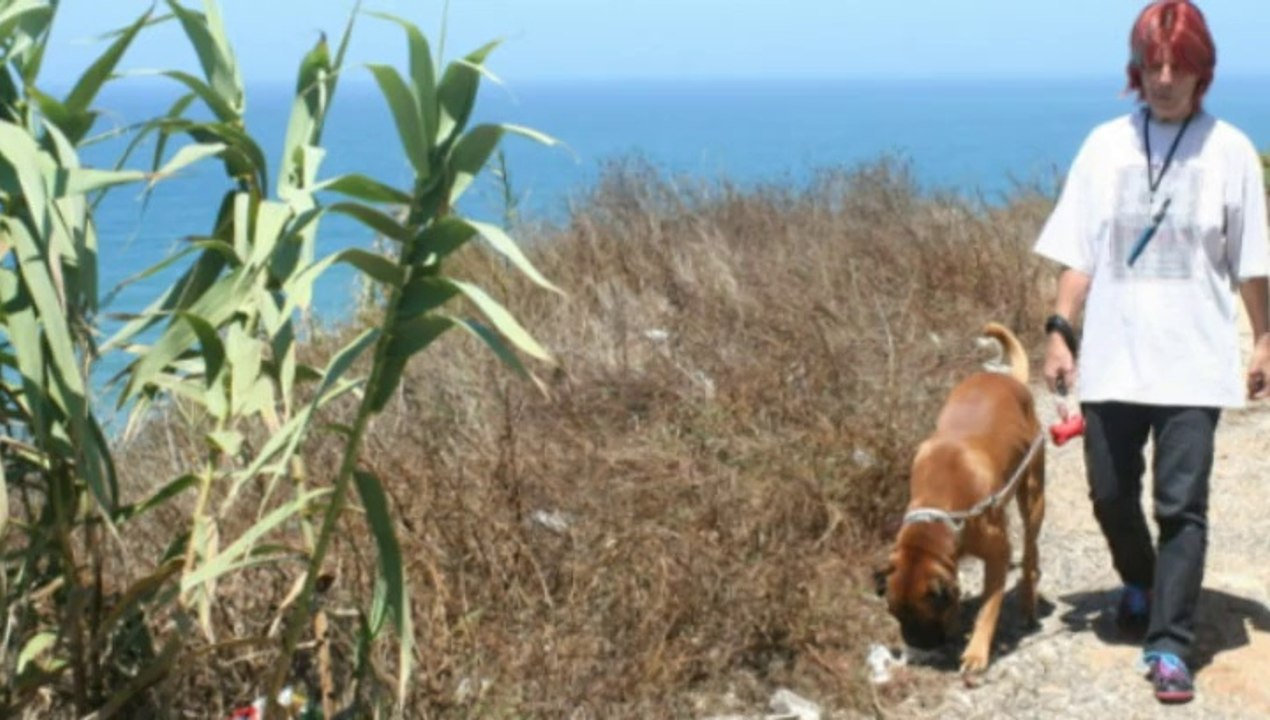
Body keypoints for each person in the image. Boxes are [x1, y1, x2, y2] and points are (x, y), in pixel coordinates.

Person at [1033, 0, 1270, 706]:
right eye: (1153, 63)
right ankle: (1138, 579)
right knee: (1109, 493)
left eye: (1180, 64)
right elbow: (1080, 252)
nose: (1166, 77)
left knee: (1182, 505)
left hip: (1193, 361)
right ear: (1137, 70)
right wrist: (1059, 327)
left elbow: (1250, 263)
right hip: (1113, 358)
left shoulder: (1229, 150)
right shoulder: (1105, 145)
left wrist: (1263, 338)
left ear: (1203, 71)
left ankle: (1170, 643)